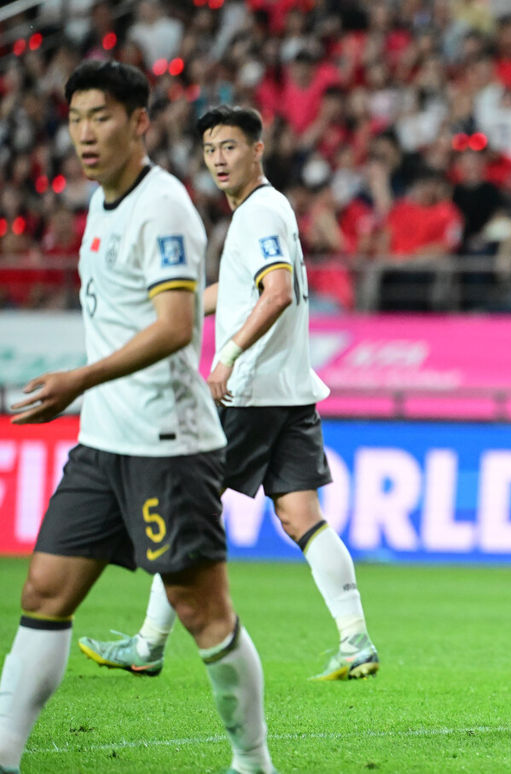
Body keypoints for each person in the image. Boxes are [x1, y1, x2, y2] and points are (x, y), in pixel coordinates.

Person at [0, 62, 275, 774]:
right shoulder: (100, 201)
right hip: (103, 443)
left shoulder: (165, 207)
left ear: (139, 122)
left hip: (166, 444)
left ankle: (253, 761)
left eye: (102, 117)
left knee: (202, 615)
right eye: (76, 119)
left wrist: (80, 382)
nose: (85, 135)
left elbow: (177, 325)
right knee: (44, 594)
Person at [77, 105, 379, 682]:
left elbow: (277, 292)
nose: (218, 159)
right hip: (291, 394)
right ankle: (355, 639)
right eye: (211, 149)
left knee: (184, 509)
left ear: (257, 149)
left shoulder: (258, 214)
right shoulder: (266, 211)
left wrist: (229, 352)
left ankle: (148, 643)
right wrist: (180, 303)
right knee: (301, 518)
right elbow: (245, 290)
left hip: (250, 393)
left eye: (230, 148)